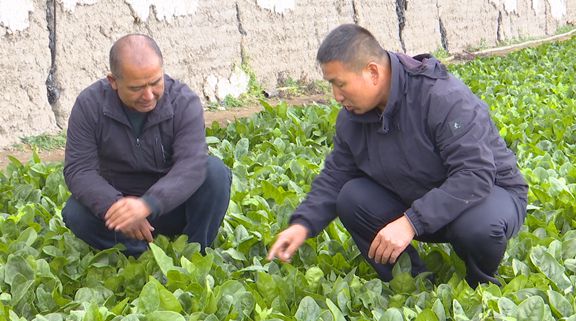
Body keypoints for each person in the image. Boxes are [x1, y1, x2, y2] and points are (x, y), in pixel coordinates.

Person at [267, 24, 528, 287]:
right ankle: (415, 284)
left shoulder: (443, 97)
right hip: (419, 197)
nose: (336, 96)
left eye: (340, 84)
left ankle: (480, 286)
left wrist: (411, 222)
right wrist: (303, 223)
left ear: (372, 72)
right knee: (350, 197)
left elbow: (475, 174)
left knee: (478, 226)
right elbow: (336, 176)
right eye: (331, 85)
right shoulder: (351, 118)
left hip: (488, 195)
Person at [62, 34, 231, 256]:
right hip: (120, 209)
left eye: (155, 82)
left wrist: (147, 204)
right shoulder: (89, 105)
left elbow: (191, 164)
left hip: (172, 205)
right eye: (136, 88)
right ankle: (140, 254)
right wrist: (117, 207)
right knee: (75, 213)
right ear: (113, 81)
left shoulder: (183, 101)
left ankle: (194, 253)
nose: (149, 95)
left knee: (214, 172)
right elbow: (79, 170)